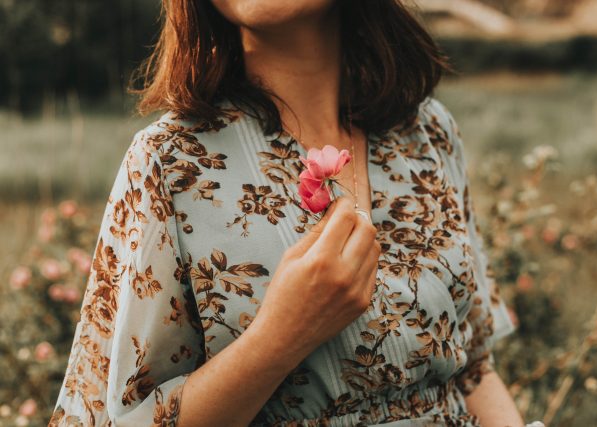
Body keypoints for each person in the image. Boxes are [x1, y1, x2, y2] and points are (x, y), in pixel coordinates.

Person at [49, 1, 527, 426]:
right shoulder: (171, 164)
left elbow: (473, 369)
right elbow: (127, 418)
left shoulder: (426, 133)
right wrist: (277, 339)